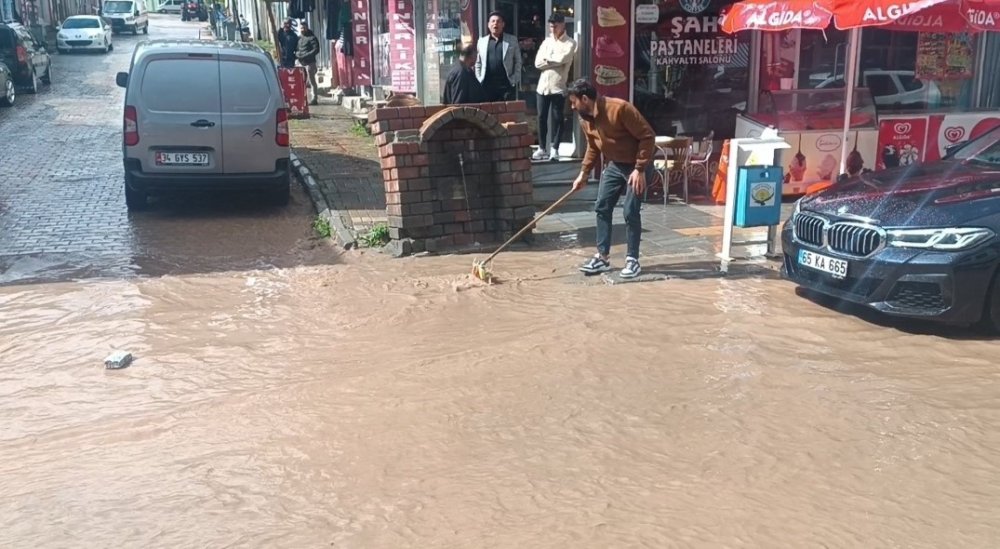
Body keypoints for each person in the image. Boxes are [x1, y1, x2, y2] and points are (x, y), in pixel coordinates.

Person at [568, 79, 655, 279]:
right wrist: (584, 173)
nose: (572, 107)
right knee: (602, 207)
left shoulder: (620, 109)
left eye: (574, 102)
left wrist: (640, 168)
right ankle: (602, 257)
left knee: (630, 211)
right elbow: (593, 146)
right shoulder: (585, 118)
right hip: (615, 165)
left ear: (585, 98)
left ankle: (633, 260)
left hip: (637, 166)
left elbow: (647, 136)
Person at [532, 13, 576, 161]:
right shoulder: (546, 42)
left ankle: (555, 148)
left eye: (555, 25)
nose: (553, 28)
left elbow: (564, 58)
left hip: (558, 86)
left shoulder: (570, 43)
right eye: (551, 26)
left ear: (562, 24)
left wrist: (547, 60)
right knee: (541, 118)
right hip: (542, 86)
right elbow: (537, 63)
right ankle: (542, 148)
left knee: (558, 118)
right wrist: (554, 61)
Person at [474, 11, 522, 102]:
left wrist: (515, 79)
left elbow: (518, 61)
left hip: (506, 85)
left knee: (507, 115)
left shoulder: (512, 40)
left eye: (498, 21)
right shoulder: (481, 41)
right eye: (493, 21)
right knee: (488, 114)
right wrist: (479, 79)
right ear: (488, 24)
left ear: (503, 24)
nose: (495, 23)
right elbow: (478, 63)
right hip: (487, 86)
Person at [295, 20, 321, 105]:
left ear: (307, 27)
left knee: (311, 81)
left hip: (310, 63)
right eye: (301, 27)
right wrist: (298, 54)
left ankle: (314, 98)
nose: (303, 29)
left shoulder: (312, 38)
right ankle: (302, 98)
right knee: (301, 82)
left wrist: (306, 55)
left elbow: (316, 49)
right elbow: (297, 49)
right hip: (301, 63)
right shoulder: (299, 38)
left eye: (304, 27)